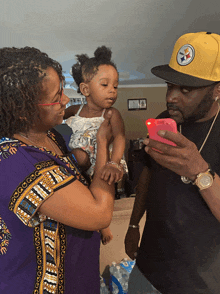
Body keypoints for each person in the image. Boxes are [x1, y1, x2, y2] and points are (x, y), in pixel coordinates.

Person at [0, 46, 115, 294]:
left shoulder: (49, 134)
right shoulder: (14, 162)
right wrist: (103, 143)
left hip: (75, 274)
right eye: (56, 96)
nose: (65, 99)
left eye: (62, 89)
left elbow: (71, 174)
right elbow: (99, 212)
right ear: (22, 111)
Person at [125, 31, 220, 294]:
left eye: (186, 90)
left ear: (217, 90)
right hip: (147, 272)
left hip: (197, 282)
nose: (171, 97)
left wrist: (199, 170)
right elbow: (147, 174)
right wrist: (133, 224)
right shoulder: (165, 119)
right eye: (170, 85)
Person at [64, 46, 128, 245]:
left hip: (103, 161)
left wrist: (114, 163)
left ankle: (103, 223)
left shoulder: (111, 114)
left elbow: (119, 138)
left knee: (98, 181)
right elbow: (57, 119)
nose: (112, 91)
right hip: (78, 161)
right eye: (105, 85)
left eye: (115, 86)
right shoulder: (75, 109)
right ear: (85, 89)